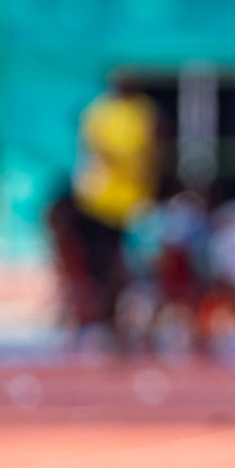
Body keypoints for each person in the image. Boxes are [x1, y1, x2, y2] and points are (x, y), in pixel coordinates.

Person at [71, 75, 160, 339]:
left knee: (136, 267)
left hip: (135, 202)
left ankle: (131, 324)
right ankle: (106, 321)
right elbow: (95, 151)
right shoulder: (99, 112)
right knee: (103, 264)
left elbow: (152, 150)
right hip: (101, 203)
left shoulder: (144, 111)